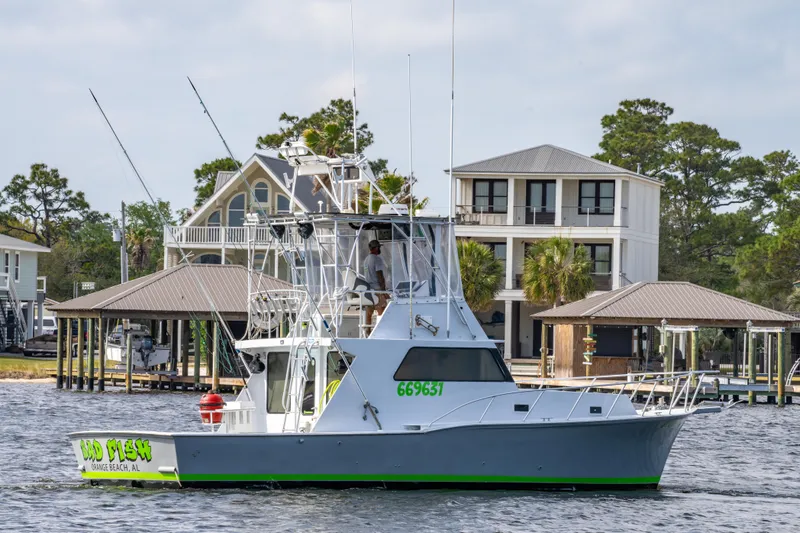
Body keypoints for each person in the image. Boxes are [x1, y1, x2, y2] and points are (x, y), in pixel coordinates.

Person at [363, 239, 387, 335]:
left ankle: (367, 332)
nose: (380, 249)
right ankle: (381, 333)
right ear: (376, 248)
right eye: (379, 247)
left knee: (369, 313)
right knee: (382, 313)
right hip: (377, 290)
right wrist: (384, 291)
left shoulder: (366, 260)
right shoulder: (377, 259)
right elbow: (379, 274)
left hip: (369, 290)